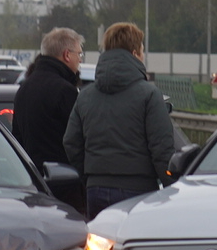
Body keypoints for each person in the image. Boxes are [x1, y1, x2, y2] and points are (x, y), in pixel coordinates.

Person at [63, 22, 176, 218]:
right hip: (139, 191)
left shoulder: (86, 95)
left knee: (99, 245)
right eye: (141, 52)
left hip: (95, 190)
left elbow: (71, 142)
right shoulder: (149, 95)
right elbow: (162, 149)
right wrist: (172, 188)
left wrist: (90, 176)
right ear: (134, 54)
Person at [13, 28, 85, 203]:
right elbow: (78, 140)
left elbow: (17, 138)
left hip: (31, 183)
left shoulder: (24, 88)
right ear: (67, 55)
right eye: (79, 55)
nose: (80, 61)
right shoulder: (65, 91)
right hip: (64, 186)